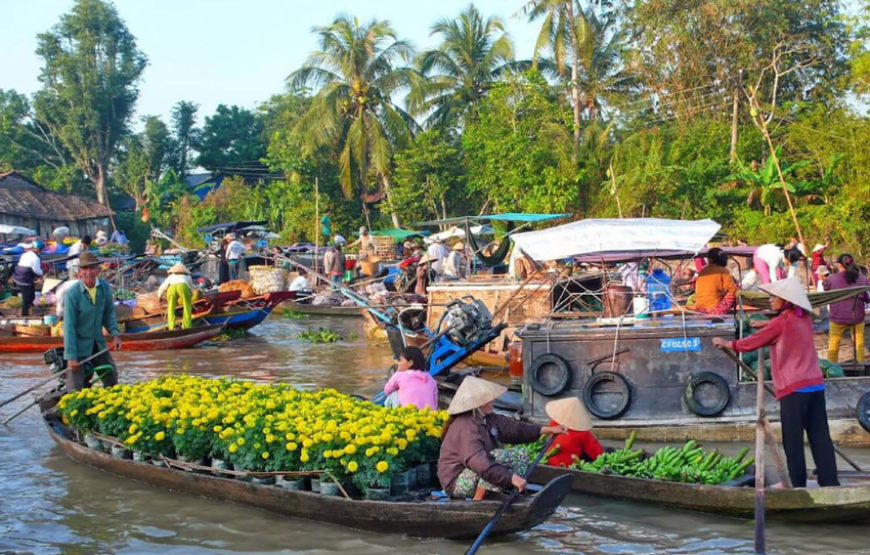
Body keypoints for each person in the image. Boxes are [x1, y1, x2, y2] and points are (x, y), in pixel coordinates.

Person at [713, 278, 839, 488]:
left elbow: (754, 342)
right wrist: (766, 323)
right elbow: (783, 327)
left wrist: (727, 343)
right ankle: (830, 482)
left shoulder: (782, 322)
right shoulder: (804, 318)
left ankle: (796, 484)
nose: (770, 300)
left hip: (795, 389)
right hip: (815, 386)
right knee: (820, 437)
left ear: (786, 300)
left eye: (774, 297)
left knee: (793, 439)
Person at [437, 376, 566, 499]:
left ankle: (506, 492)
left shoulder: (488, 418)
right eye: (488, 399)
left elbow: (514, 428)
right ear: (478, 404)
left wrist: (547, 430)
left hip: (479, 469)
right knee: (495, 458)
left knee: (521, 455)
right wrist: (510, 478)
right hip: (457, 481)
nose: (492, 401)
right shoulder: (465, 426)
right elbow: (479, 463)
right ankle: (479, 499)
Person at [63, 252, 122, 392]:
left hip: (97, 342)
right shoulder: (72, 294)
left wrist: (115, 334)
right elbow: (69, 327)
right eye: (85, 269)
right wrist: (71, 357)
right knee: (75, 385)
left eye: (92, 268)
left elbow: (109, 314)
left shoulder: (104, 287)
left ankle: (112, 402)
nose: (88, 272)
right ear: (79, 273)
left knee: (111, 375)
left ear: (98, 270)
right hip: (79, 345)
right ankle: (72, 409)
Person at [824, 254, 870, 364]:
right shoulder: (862, 279)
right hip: (857, 316)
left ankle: (831, 367)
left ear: (839, 265)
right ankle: (861, 366)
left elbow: (825, 290)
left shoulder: (831, 279)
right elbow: (867, 298)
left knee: (834, 343)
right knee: (859, 342)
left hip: (837, 316)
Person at [543, 397, 604, 467]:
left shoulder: (553, 424)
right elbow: (597, 454)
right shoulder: (583, 433)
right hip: (569, 467)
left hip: (548, 463)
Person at [691, 247, 738, 314]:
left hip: (699, 307)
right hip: (713, 308)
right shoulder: (723, 270)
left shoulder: (703, 270)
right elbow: (732, 289)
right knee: (732, 294)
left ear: (709, 259)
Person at [157, 263, 195, 330]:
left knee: (170, 307)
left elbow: (162, 287)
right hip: (183, 286)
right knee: (187, 306)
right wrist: (191, 295)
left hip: (172, 288)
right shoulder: (187, 276)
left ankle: (171, 327)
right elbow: (192, 288)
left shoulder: (171, 276)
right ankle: (186, 326)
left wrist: (159, 296)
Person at [12, 240, 45, 317]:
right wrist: (43, 272)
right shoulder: (35, 258)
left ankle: (32, 311)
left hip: (18, 276)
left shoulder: (26, 254)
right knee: (26, 298)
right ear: (39, 249)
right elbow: (37, 271)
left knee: (31, 295)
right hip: (25, 279)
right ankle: (24, 314)